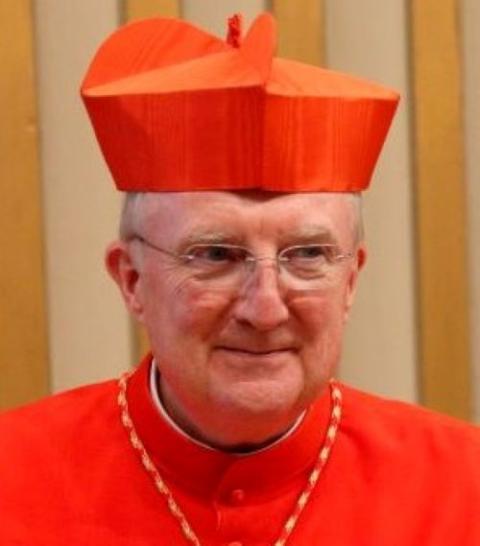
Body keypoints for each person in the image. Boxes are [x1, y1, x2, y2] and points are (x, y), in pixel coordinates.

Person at [1, 12, 479, 546]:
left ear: (350, 281)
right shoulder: (11, 476)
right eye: (215, 254)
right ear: (132, 280)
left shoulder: (465, 486)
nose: (265, 308)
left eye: (307, 254)